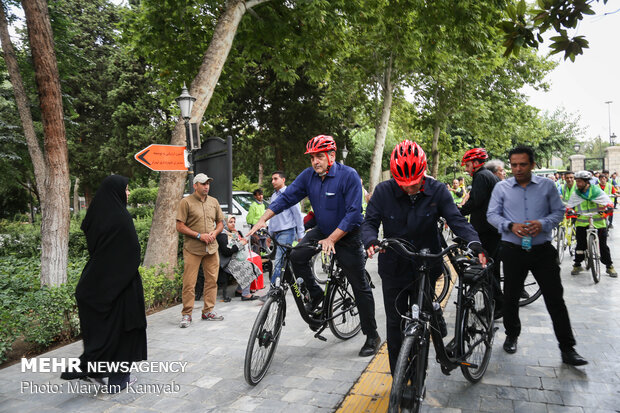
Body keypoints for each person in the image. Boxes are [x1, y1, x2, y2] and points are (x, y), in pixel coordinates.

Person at [248, 135, 381, 357]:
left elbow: (354, 215)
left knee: (359, 286)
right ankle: (316, 294)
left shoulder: (348, 176)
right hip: (323, 229)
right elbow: (286, 198)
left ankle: (372, 335)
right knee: (296, 256)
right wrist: (265, 218)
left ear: (331, 156)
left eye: (319, 156)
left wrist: (332, 240)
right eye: (312, 158)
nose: (315, 162)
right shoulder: (309, 176)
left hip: (347, 235)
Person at [361, 140, 487, 374]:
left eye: (415, 183)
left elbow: (457, 221)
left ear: (424, 171)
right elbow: (369, 223)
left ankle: (420, 367)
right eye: (404, 184)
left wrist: (474, 242)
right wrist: (370, 241)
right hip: (394, 267)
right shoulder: (383, 191)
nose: (410, 188)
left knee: (423, 317)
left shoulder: (438, 190)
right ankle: (399, 377)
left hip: (426, 265)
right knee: (395, 325)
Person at [487, 145, 587, 366]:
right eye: (514, 165)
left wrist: (542, 224)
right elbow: (492, 215)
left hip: (542, 251)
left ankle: (567, 348)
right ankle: (512, 335)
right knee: (511, 297)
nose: (518, 169)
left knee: (555, 299)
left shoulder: (547, 186)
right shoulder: (502, 188)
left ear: (532, 164)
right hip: (512, 251)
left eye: (523, 164)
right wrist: (509, 225)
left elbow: (559, 212)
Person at [61, 175, 147, 392]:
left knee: (102, 331)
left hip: (96, 282)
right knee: (125, 330)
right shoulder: (121, 218)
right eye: (126, 189)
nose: (128, 193)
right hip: (123, 285)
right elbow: (132, 253)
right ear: (116, 192)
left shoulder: (95, 216)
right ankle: (119, 381)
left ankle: (96, 370)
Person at [459, 147, 504, 317]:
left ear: (476, 163)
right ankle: (494, 305)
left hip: (487, 231)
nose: (466, 168)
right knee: (492, 269)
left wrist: (457, 212)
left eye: (468, 165)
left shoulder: (481, 177)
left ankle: (499, 304)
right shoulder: (487, 176)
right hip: (492, 229)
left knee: (485, 268)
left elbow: (476, 202)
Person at [176, 173, 225, 328]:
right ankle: (187, 314)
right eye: (203, 184)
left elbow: (220, 223)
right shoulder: (186, 202)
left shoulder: (214, 202)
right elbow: (180, 226)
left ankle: (208, 311)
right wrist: (199, 235)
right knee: (189, 283)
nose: (206, 186)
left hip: (211, 248)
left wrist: (214, 233)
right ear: (195, 185)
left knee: (212, 281)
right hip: (193, 249)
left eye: (208, 184)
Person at [566, 171, 616, 277]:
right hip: (582, 222)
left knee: (603, 246)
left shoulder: (597, 191)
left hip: (598, 222)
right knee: (580, 245)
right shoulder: (576, 193)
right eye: (577, 181)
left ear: (586, 182)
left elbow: (608, 202)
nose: (577, 184)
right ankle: (577, 264)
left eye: (579, 182)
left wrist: (608, 208)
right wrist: (570, 211)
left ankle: (609, 266)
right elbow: (570, 205)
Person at [267, 171, 305, 284]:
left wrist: (301, 235)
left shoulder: (290, 193)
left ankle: (272, 292)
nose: (272, 181)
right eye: (272, 179)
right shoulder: (274, 196)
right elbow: (272, 216)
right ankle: (299, 285)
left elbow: (298, 215)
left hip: (287, 232)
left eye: (275, 178)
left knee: (278, 262)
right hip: (276, 234)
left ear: (283, 180)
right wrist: (270, 233)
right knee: (284, 263)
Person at [217, 216, 259, 300]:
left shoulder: (231, 233)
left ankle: (240, 290)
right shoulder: (222, 235)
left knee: (251, 265)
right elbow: (227, 251)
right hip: (226, 262)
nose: (233, 224)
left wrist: (239, 239)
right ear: (225, 223)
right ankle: (246, 294)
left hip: (233, 259)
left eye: (234, 222)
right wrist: (240, 244)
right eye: (230, 222)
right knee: (247, 267)